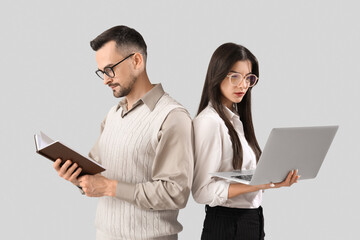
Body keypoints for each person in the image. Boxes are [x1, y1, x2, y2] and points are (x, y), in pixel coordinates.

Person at [53, 25, 194, 240]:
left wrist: (110, 187)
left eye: (110, 69)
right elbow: (95, 171)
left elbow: (175, 193)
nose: (105, 80)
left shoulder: (172, 116)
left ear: (137, 61)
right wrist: (77, 178)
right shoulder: (113, 115)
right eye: (102, 72)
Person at [192, 43, 300, 240]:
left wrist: (274, 181)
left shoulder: (237, 121)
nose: (243, 85)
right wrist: (260, 184)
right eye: (235, 76)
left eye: (248, 78)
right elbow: (201, 191)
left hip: (252, 220)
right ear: (217, 75)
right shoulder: (208, 123)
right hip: (227, 225)